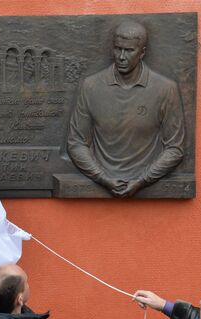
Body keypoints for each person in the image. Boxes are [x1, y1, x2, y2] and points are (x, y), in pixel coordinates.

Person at [67, 20, 186, 197]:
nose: (121, 56)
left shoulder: (165, 89)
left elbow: (175, 148)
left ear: (142, 52)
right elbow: (76, 142)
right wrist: (103, 178)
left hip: (145, 180)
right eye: (117, 48)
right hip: (101, 178)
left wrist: (143, 180)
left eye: (129, 50)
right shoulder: (91, 86)